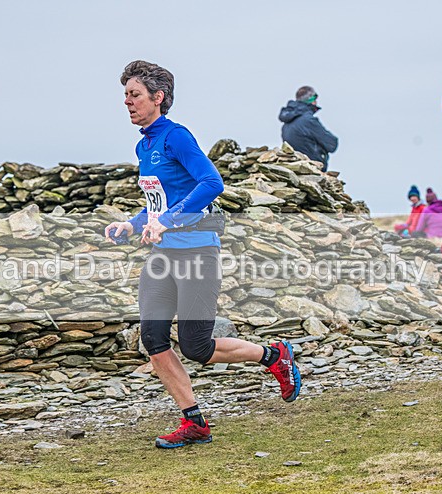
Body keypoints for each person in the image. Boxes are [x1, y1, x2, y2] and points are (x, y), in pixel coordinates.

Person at [105, 60, 301, 449]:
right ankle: (194, 422)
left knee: (198, 347)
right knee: (153, 338)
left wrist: (169, 220)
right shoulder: (143, 144)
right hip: (162, 255)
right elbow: (160, 202)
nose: (127, 102)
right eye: (125, 95)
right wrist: (133, 222)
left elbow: (212, 183)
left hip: (196, 253)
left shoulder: (177, 137)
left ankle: (274, 354)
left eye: (135, 95)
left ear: (157, 98)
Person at [278, 86, 339, 171]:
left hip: (294, 167)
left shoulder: (287, 123)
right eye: (314, 98)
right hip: (311, 168)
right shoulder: (308, 121)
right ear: (311, 99)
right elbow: (332, 144)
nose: (316, 102)